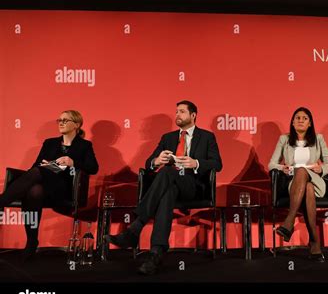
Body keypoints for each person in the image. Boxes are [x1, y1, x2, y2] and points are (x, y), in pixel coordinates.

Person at [107, 100, 222, 275]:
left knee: (167, 173)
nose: (177, 115)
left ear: (193, 115)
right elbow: (148, 163)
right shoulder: (167, 138)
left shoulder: (207, 137)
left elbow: (217, 163)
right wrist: (156, 161)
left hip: (193, 186)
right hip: (170, 185)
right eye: (176, 111)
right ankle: (155, 254)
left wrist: (195, 162)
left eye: (182, 112)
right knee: (168, 189)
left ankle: (136, 227)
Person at [0, 110, 99, 259]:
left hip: (64, 188)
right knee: (34, 191)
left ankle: (2, 201)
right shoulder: (50, 142)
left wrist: (72, 162)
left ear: (76, 125)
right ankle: (32, 241)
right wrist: (49, 165)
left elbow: (93, 168)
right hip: (44, 185)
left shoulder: (84, 145)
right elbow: (36, 166)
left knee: (38, 174)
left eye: (65, 120)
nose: (61, 123)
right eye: (59, 120)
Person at [269, 107, 328, 262]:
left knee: (305, 175)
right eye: (297, 118)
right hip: (294, 183)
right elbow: (271, 164)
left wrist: (322, 168)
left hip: (316, 180)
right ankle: (315, 242)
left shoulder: (318, 139)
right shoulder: (284, 139)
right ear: (292, 122)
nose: (300, 120)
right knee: (306, 185)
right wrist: (282, 168)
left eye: (304, 118)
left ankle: (289, 221)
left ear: (310, 123)